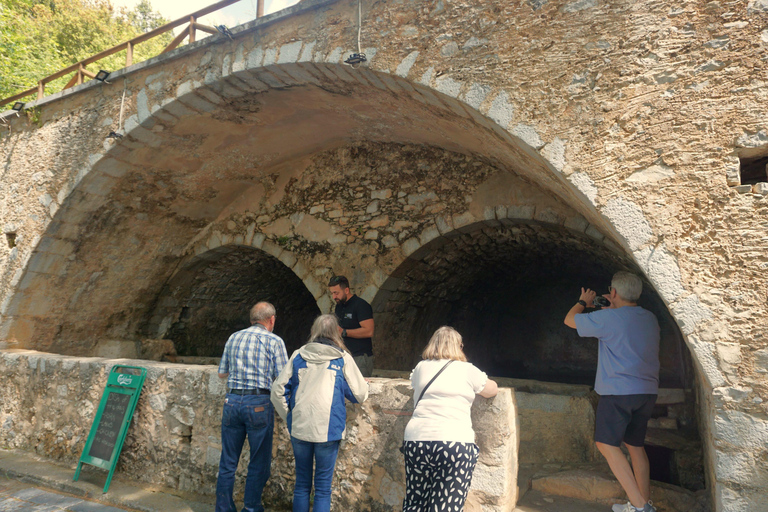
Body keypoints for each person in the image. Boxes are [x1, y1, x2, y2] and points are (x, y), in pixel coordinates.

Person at [563, 271, 660, 512]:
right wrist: (612, 310)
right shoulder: (650, 318)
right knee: (635, 446)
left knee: (605, 444)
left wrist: (583, 302)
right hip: (647, 392)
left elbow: (569, 320)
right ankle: (644, 502)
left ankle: (640, 507)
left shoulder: (609, 319)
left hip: (618, 392)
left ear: (613, 292)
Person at [270, 314, 369, 512]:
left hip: (301, 426)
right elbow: (359, 394)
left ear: (314, 331)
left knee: (301, 485)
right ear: (336, 332)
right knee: (323, 489)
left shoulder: (298, 355)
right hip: (329, 428)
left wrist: (289, 416)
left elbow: (277, 391)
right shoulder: (342, 358)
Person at [401, 326, 498, 512]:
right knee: (446, 506)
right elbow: (490, 390)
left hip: (417, 441)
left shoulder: (421, 367)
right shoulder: (468, 370)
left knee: (415, 503)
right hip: (454, 443)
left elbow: (414, 384)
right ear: (459, 346)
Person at [216, 302, 288, 512]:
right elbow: (282, 378)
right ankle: (251, 508)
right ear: (271, 319)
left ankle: (223, 508)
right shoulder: (274, 341)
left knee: (228, 461)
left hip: (232, 401)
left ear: (252, 319)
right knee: (258, 461)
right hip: (258, 403)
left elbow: (222, 373)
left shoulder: (234, 337)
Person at [328, 275, 375, 377]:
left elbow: (369, 331)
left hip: (360, 357)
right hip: (343, 356)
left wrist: (344, 332)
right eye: (332, 293)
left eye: (336, 293)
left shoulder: (361, 305)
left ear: (346, 290)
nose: (334, 297)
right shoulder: (339, 306)